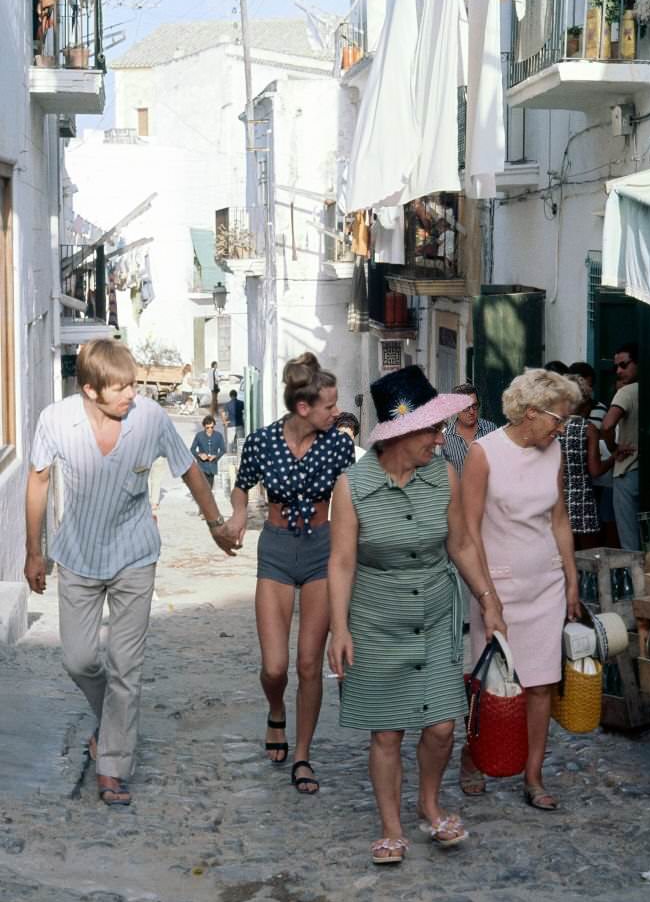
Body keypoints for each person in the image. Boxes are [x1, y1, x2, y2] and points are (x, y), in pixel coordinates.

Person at [24, 339, 240, 807]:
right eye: (120, 389)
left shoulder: (150, 419)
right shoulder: (56, 421)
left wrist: (215, 524)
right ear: (89, 390)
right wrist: (32, 551)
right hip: (77, 555)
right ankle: (113, 721)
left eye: (134, 386)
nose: (131, 396)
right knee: (79, 660)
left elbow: (188, 472)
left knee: (127, 667)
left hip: (134, 555)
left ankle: (113, 766)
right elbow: (38, 479)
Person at [327, 366, 505, 865]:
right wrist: (339, 628)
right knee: (386, 731)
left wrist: (488, 600)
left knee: (443, 726)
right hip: (376, 615)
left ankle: (430, 803)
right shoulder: (353, 486)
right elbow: (341, 561)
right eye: (431, 428)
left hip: (432, 613)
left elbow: (462, 544)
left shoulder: (443, 474)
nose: (440, 437)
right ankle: (391, 825)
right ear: (401, 432)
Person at [229, 353, 354, 794]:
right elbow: (242, 484)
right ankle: (275, 708)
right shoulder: (262, 442)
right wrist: (239, 515)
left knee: (308, 664)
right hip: (278, 550)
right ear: (304, 408)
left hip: (322, 549)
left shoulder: (338, 445)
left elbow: (353, 499)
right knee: (275, 666)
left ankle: (303, 754)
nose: (336, 412)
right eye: (329, 405)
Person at [461, 368, 581, 809]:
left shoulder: (554, 452)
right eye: (558, 418)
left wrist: (571, 578)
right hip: (498, 588)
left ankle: (533, 775)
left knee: (541, 685)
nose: (562, 427)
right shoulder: (483, 454)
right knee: (491, 684)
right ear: (530, 412)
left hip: (545, 583)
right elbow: (469, 531)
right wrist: (485, 592)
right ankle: (474, 757)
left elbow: (559, 519)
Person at [560, 376, 613, 551]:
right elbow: (595, 470)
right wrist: (614, 457)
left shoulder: (552, 427)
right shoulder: (588, 429)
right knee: (588, 556)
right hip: (582, 498)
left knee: (563, 556)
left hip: (557, 498)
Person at [600, 343, 640, 550]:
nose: (619, 371)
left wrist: (613, 447)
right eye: (617, 367)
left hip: (627, 470)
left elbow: (607, 424)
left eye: (624, 365)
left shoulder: (628, 392)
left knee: (630, 542)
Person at [441, 383, 497, 477]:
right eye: (466, 407)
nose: (471, 412)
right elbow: (443, 478)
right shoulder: (445, 438)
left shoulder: (491, 430)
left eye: (475, 406)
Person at [190, 415, 226, 487]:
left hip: (212, 467)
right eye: (208, 427)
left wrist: (216, 456)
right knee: (203, 488)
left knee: (209, 488)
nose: (210, 429)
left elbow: (223, 449)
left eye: (212, 427)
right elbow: (192, 449)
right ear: (204, 426)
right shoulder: (199, 435)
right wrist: (200, 455)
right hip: (202, 466)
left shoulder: (218, 435)